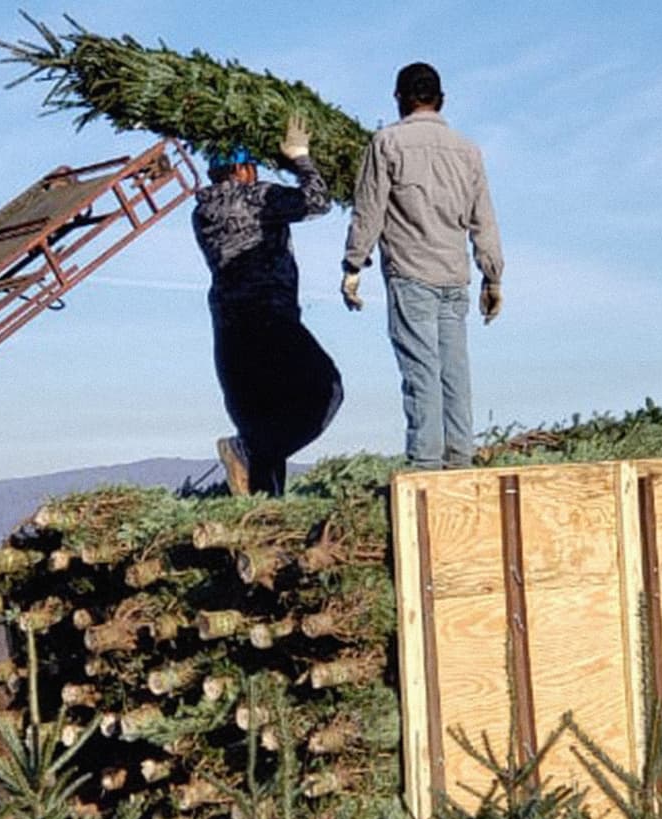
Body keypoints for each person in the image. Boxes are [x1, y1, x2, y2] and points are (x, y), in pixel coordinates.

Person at [340, 62, 504, 470]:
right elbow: (484, 217)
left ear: (400, 99)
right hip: (454, 278)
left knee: (421, 372)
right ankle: (461, 462)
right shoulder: (467, 150)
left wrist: (353, 264)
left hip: (411, 275)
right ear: (440, 99)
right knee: (455, 374)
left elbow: (370, 208)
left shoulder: (386, 143)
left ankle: (427, 468)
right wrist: (492, 276)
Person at [192, 115, 343, 496]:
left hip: (228, 329)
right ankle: (248, 450)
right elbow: (317, 201)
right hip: (271, 320)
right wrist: (300, 160)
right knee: (325, 391)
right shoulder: (257, 198)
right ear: (242, 169)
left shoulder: (202, 211)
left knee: (259, 421)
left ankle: (261, 515)